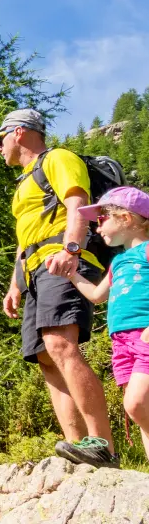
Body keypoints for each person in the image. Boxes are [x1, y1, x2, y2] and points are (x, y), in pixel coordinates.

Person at [0, 108, 116, 468]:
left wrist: (71, 250)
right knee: (46, 357)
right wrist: (15, 284)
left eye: (0, 139)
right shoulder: (24, 183)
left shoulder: (58, 159)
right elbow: (24, 238)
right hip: (33, 272)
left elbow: (78, 204)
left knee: (61, 344)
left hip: (61, 262)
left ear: (18, 133)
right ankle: (76, 448)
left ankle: (103, 446)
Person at [53, 187, 149, 460]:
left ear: (127, 218)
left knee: (137, 403)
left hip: (144, 335)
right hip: (122, 343)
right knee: (142, 412)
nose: (97, 227)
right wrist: (72, 276)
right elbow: (96, 296)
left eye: (103, 219)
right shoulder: (118, 262)